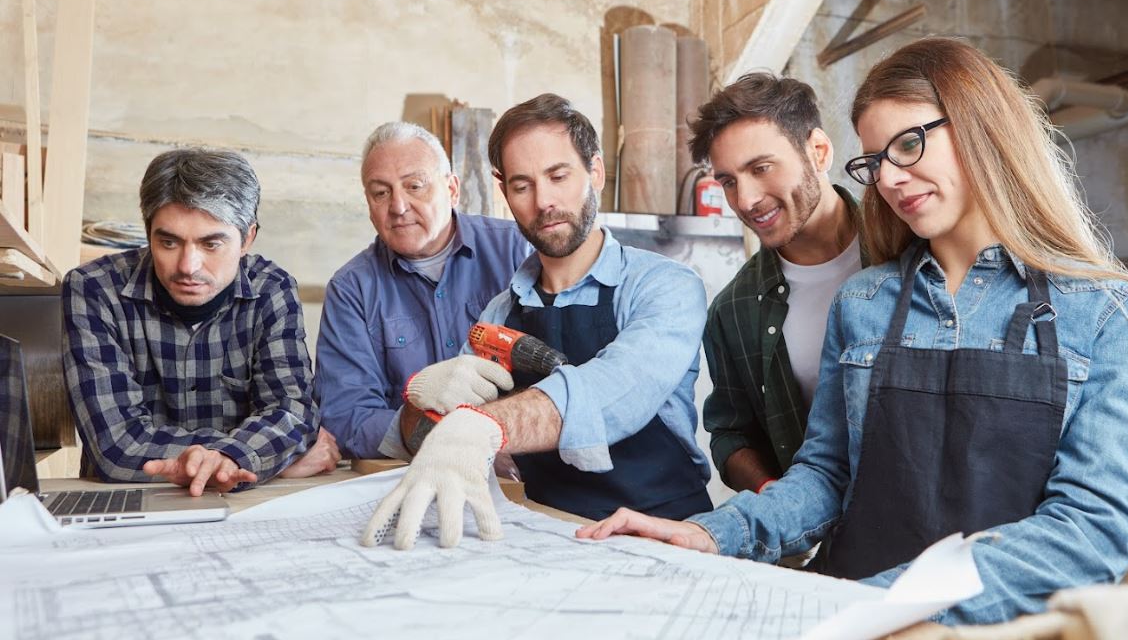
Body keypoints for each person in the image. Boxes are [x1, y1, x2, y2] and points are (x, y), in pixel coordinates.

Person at [578, 38, 1128, 625]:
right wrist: (710, 534)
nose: (889, 180)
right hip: (845, 617)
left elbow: (1090, 531)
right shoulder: (864, 301)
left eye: (910, 145)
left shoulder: (1107, 311)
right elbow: (827, 475)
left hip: (984, 638)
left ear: (982, 126)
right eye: (875, 161)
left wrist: (887, 605)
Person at [361, 93, 712, 549]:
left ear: (596, 173)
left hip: (666, 533)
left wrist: (486, 426)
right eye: (523, 185)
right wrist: (419, 404)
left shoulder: (664, 286)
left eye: (558, 176)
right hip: (550, 533)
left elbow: (616, 389)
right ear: (504, 192)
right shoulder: (499, 315)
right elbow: (435, 435)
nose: (544, 201)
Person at [62, 149, 340, 495]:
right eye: (168, 242)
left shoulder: (272, 288)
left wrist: (235, 458)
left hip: (243, 504)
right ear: (148, 232)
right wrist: (247, 458)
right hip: (132, 501)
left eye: (211, 244)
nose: (188, 266)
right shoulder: (93, 289)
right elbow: (116, 446)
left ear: (247, 239)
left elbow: (291, 411)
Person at [689, 72, 866, 493]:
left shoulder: (906, 251)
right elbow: (731, 434)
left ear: (818, 151)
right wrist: (774, 494)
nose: (746, 200)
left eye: (761, 168)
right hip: (821, 543)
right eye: (729, 181)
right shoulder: (734, 309)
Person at [314, 122, 529, 460]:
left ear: (452, 189)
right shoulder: (351, 289)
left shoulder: (519, 252)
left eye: (415, 186)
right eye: (380, 193)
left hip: (524, 464)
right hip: (413, 473)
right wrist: (439, 434)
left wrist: (504, 433)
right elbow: (347, 418)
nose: (398, 206)